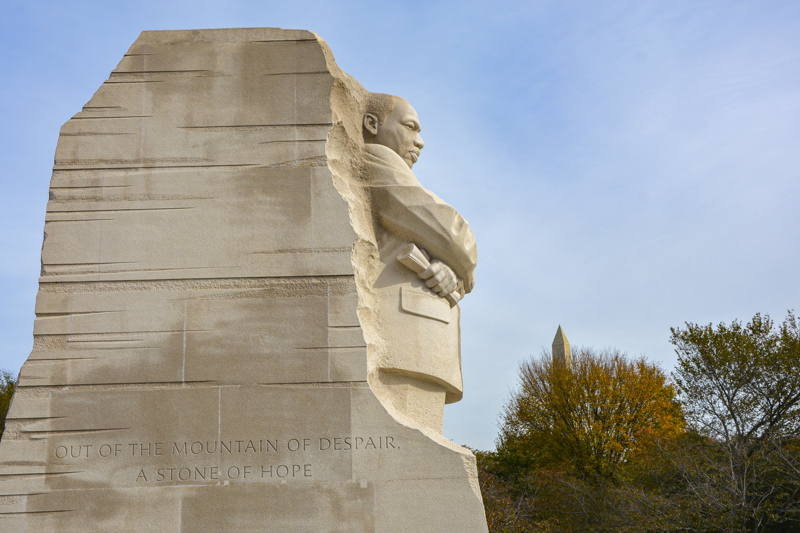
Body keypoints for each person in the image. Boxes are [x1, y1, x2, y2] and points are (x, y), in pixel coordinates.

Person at [361, 93, 477, 432]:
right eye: (410, 127)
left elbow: (437, 244)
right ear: (372, 124)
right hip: (403, 333)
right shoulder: (374, 158)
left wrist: (453, 275)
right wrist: (463, 261)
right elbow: (451, 235)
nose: (420, 141)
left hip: (419, 333)